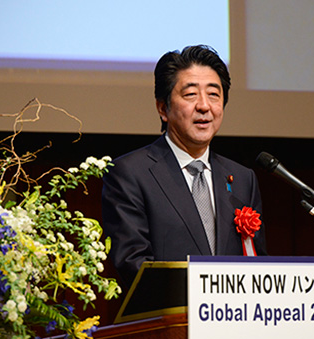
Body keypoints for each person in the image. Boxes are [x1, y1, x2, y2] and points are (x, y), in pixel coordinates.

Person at [102, 45, 267, 288]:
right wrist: (204, 299)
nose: (204, 106)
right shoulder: (130, 173)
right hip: (168, 319)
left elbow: (257, 265)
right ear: (162, 108)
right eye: (190, 94)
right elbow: (132, 263)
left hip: (234, 320)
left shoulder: (242, 179)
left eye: (214, 94)